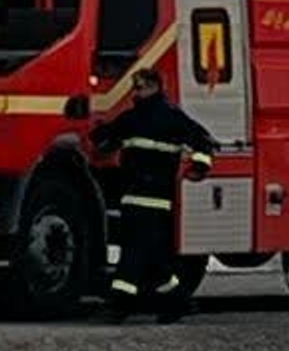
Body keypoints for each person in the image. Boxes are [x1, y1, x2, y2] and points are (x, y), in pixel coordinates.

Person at [90, 68, 217, 324]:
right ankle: (178, 301)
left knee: (133, 253)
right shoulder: (165, 118)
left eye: (139, 87)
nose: (135, 93)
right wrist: (199, 166)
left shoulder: (140, 118)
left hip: (146, 199)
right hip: (149, 199)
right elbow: (203, 140)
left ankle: (119, 306)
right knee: (154, 258)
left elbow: (105, 138)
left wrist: (198, 167)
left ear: (153, 87)